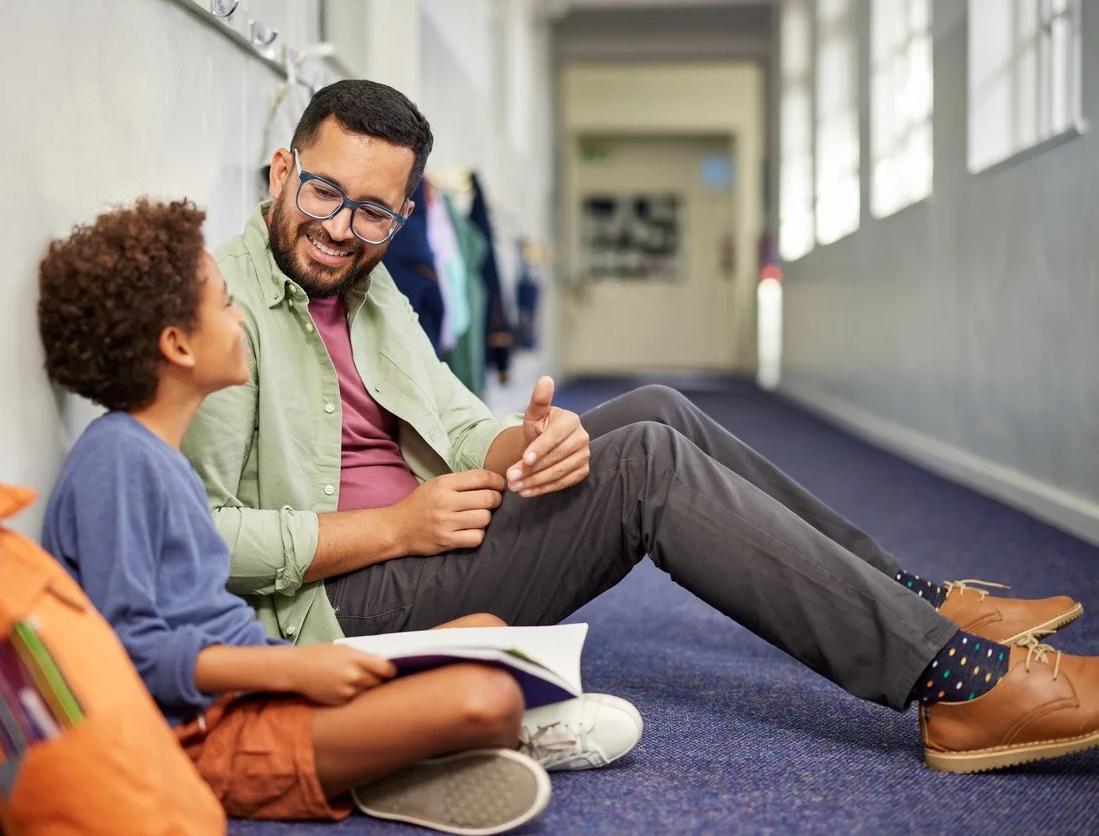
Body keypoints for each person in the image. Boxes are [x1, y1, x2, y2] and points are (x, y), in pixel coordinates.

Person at [182, 78, 1099, 776]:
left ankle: (912, 597)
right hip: (345, 606)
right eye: (324, 194)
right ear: (281, 172)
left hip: (436, 530)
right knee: (649, 467)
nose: (342, 229)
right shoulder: (223, 309)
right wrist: (396, 527)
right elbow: (203, 543)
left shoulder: (371, 289)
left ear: (404, 214)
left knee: (653, 409)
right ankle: (956, 683)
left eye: (375, 211)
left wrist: (530, 445)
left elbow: (460, 423)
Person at [34, 198, 640, 835]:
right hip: (203, 737)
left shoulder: (156, 460)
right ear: (177, 345)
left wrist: (294, 669)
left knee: (486, 631)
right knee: (485, 697)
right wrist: (293, 668)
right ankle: (455, 749)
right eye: (223, 304)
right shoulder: (117, 463)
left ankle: (406, 756)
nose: (240, 314)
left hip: (258, 688)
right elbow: (137, 652)